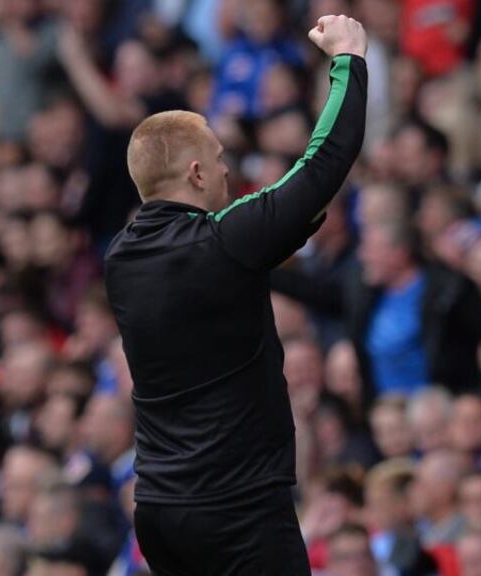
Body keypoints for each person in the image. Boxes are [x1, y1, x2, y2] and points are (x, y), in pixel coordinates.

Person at [103, 15, 367, 575]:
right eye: (221, 160)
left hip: (159, 508)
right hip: (237, 508)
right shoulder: (224, 240)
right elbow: (322, 165)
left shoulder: (120, 259)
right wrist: (348, 60)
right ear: (196, 173)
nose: (228, 172)